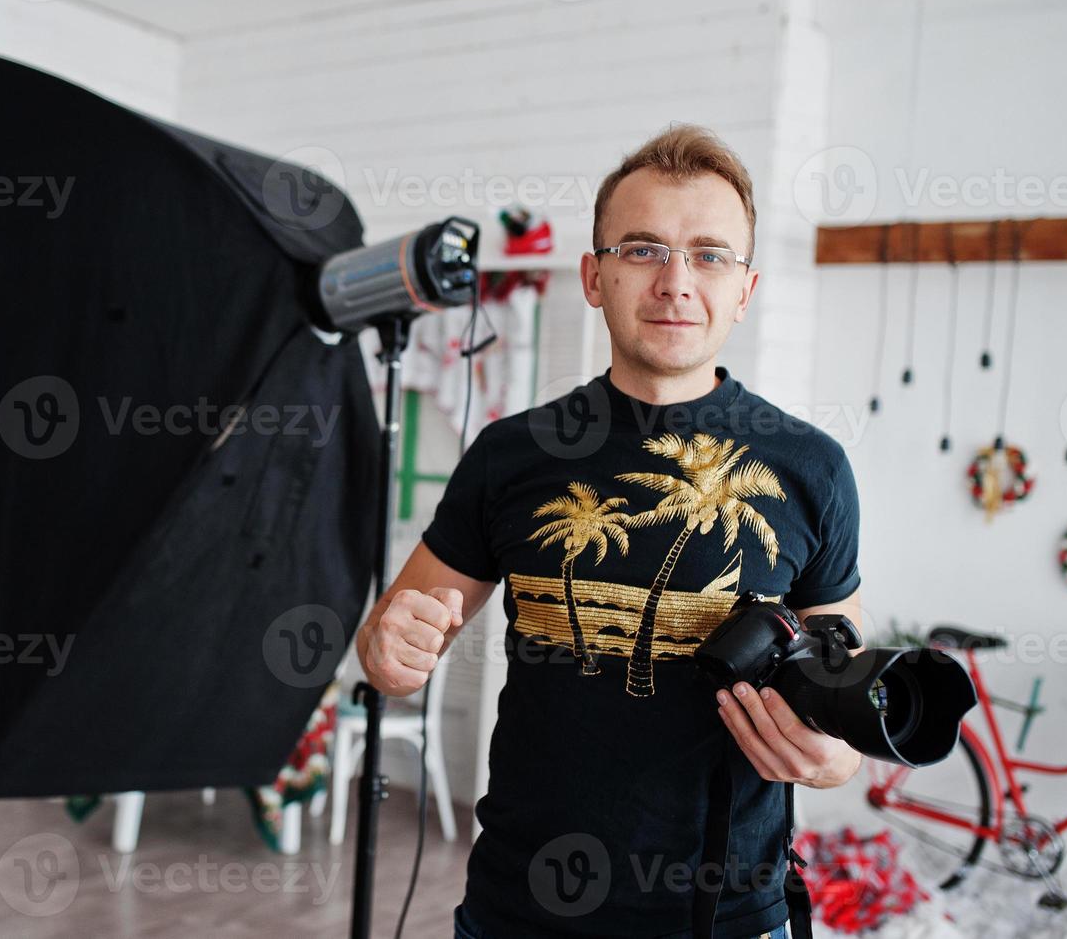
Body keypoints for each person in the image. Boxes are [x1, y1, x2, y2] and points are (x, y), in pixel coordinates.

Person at [356, 124, 864, 939]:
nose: (675, 283)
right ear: (594, 276)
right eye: (642, 250)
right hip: (521, 906)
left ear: (746, 287)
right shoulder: (510, 453)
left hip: (726, 915)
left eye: (709, 254)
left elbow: (844, 682)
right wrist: (386, 645)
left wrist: (838, 757)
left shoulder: (811, 467)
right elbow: (395, 649)